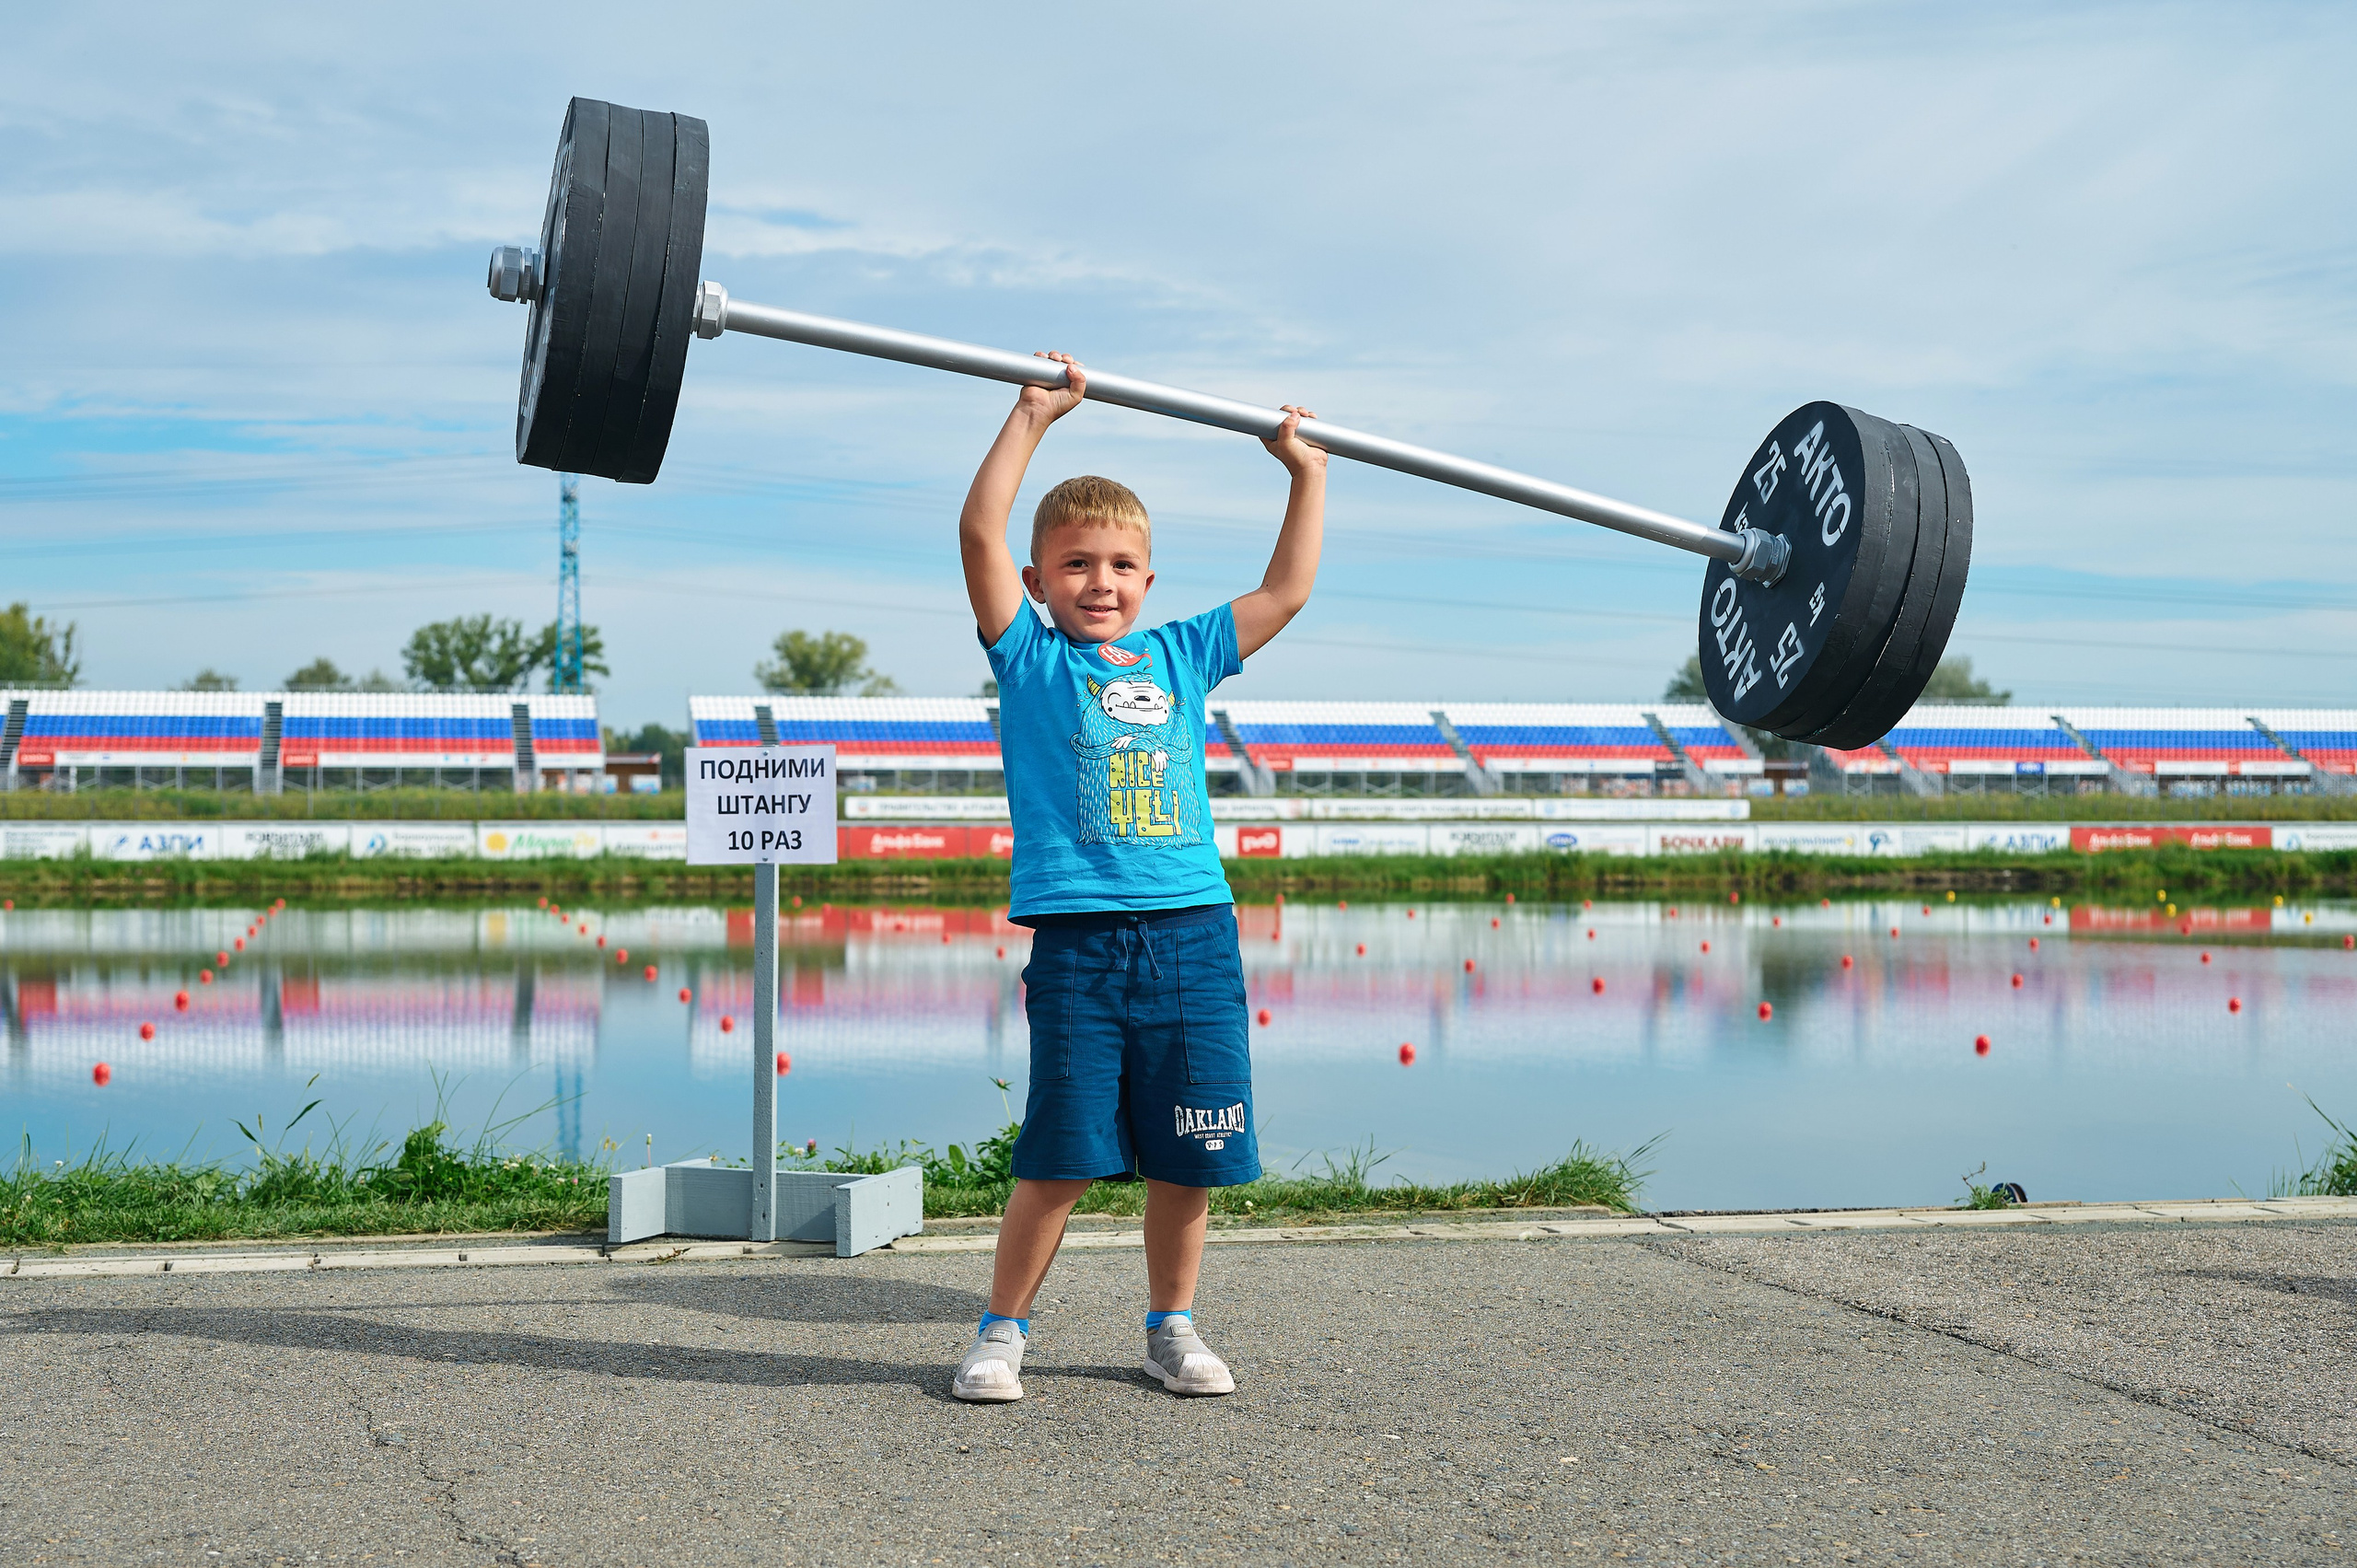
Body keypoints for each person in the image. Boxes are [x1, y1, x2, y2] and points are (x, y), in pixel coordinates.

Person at [950, 350, 1326, 1401]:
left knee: (1189, 1153)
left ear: (1148, 582)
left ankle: (1171, 1324)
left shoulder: (1181, 653)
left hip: (1194, 937)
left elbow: (1288, 589)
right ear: (1037, 583)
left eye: (1118, 564)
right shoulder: (1030, 656)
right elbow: (980, 531)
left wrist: (1304, 471)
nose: (1099, 581)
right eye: (1074, 564)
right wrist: (1032, 418)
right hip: (1080, 945)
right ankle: (1000, 1329)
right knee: (1062, 1156)